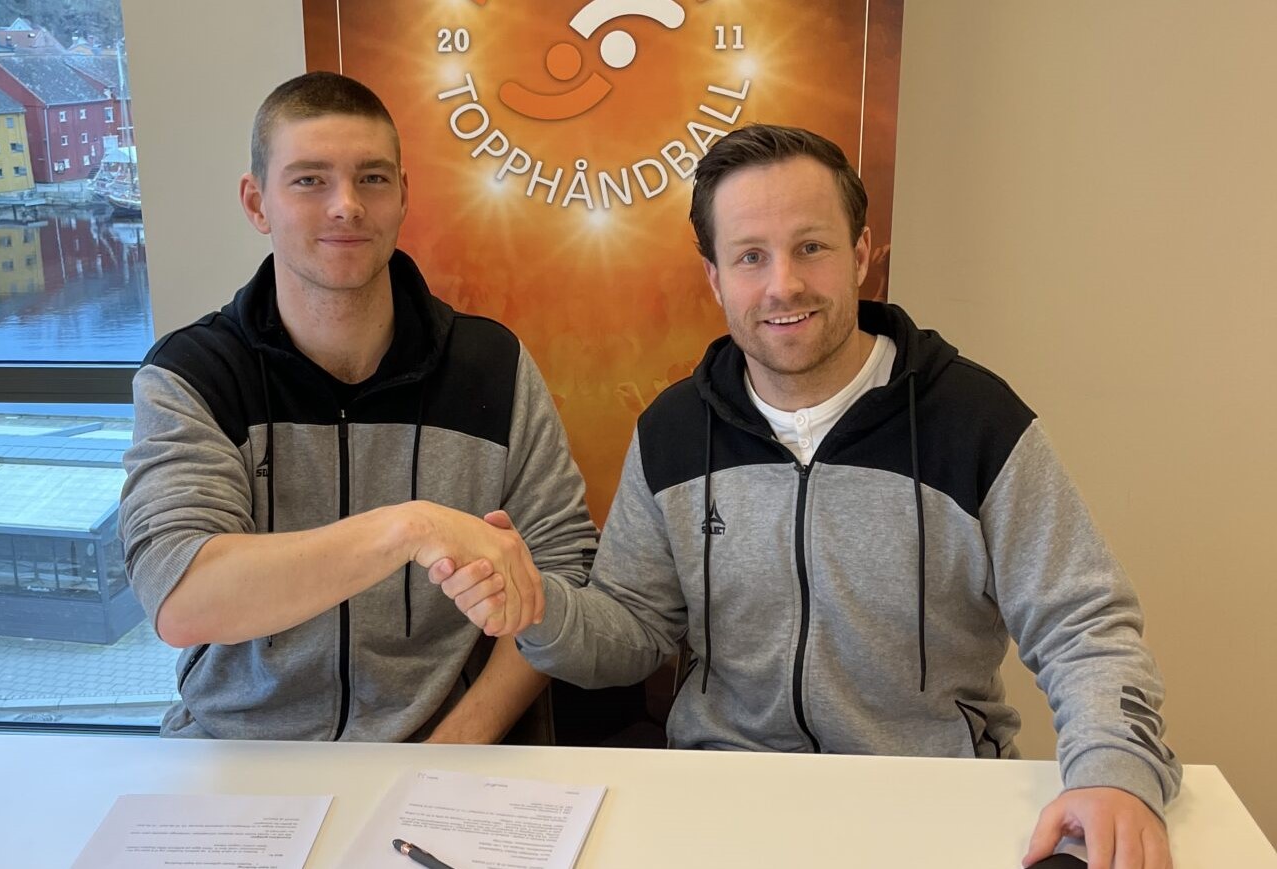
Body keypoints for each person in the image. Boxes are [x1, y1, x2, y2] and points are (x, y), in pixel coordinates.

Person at [439, 125, 1179, 867]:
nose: (783, 284)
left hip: (931, 801)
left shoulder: (974, 420)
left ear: (861, 254)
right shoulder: (673, 430)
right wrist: (539, 609)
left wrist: (1114, 771)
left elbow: (1083, 622)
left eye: (811, 247)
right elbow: (635, 630)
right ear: (714, 277)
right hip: (719, 803)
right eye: (750, 256)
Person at [119, 71, 596, 744]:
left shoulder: (492, 365)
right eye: (309, 180)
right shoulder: (193, 375)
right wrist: (409, 528)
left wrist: (455, 745)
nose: (346, 206)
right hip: (236, 750)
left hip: (443, 746)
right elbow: (181, 597)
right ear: (257, 203)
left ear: (403, 196)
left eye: (371, 178)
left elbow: (560, 571)